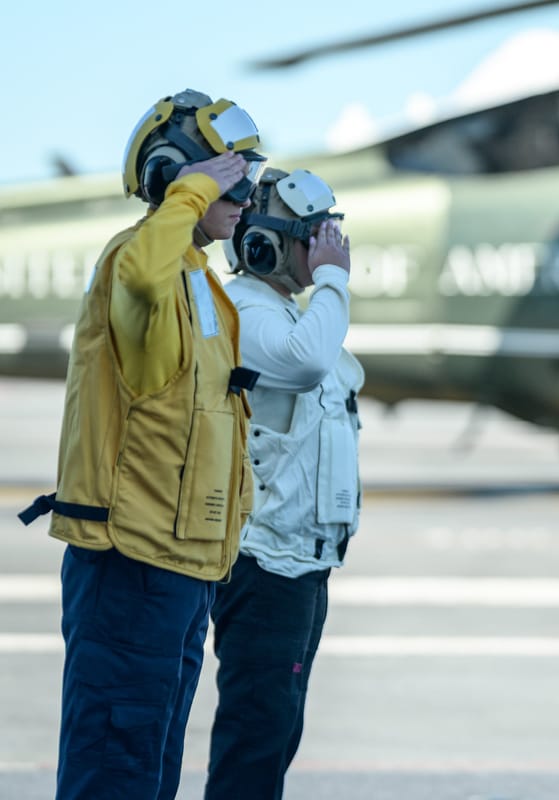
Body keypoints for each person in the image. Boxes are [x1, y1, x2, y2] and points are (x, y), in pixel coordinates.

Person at [17, 89, 266, 799]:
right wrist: (188, 195)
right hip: (131, 565)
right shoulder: (140, 259)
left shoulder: (197, 277)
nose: (244, 196)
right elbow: (140, 276)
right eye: (230, 177)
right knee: (114, 769)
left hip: (180, 567)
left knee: (149, 768)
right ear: (173, 176)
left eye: (247, 177)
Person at [204, 167, 361, 800]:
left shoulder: (284, 312)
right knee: (256, 733)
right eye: (312, 236)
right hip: (265, 564)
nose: (327, 247)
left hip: (300, 562)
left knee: (274, 734)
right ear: (265, 244)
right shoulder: (246, 309)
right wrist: (333, 280)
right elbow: (307, 363)